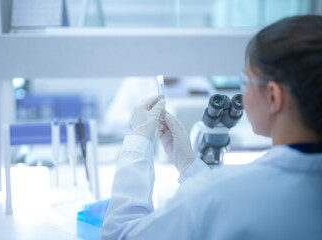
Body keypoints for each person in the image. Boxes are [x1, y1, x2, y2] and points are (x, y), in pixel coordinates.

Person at [101, 15, 322, 239]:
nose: (243, 94)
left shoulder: (222, 194)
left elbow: (120, 235)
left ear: (273, 96)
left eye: (246, 82)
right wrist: (188, 165)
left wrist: (139, 144)